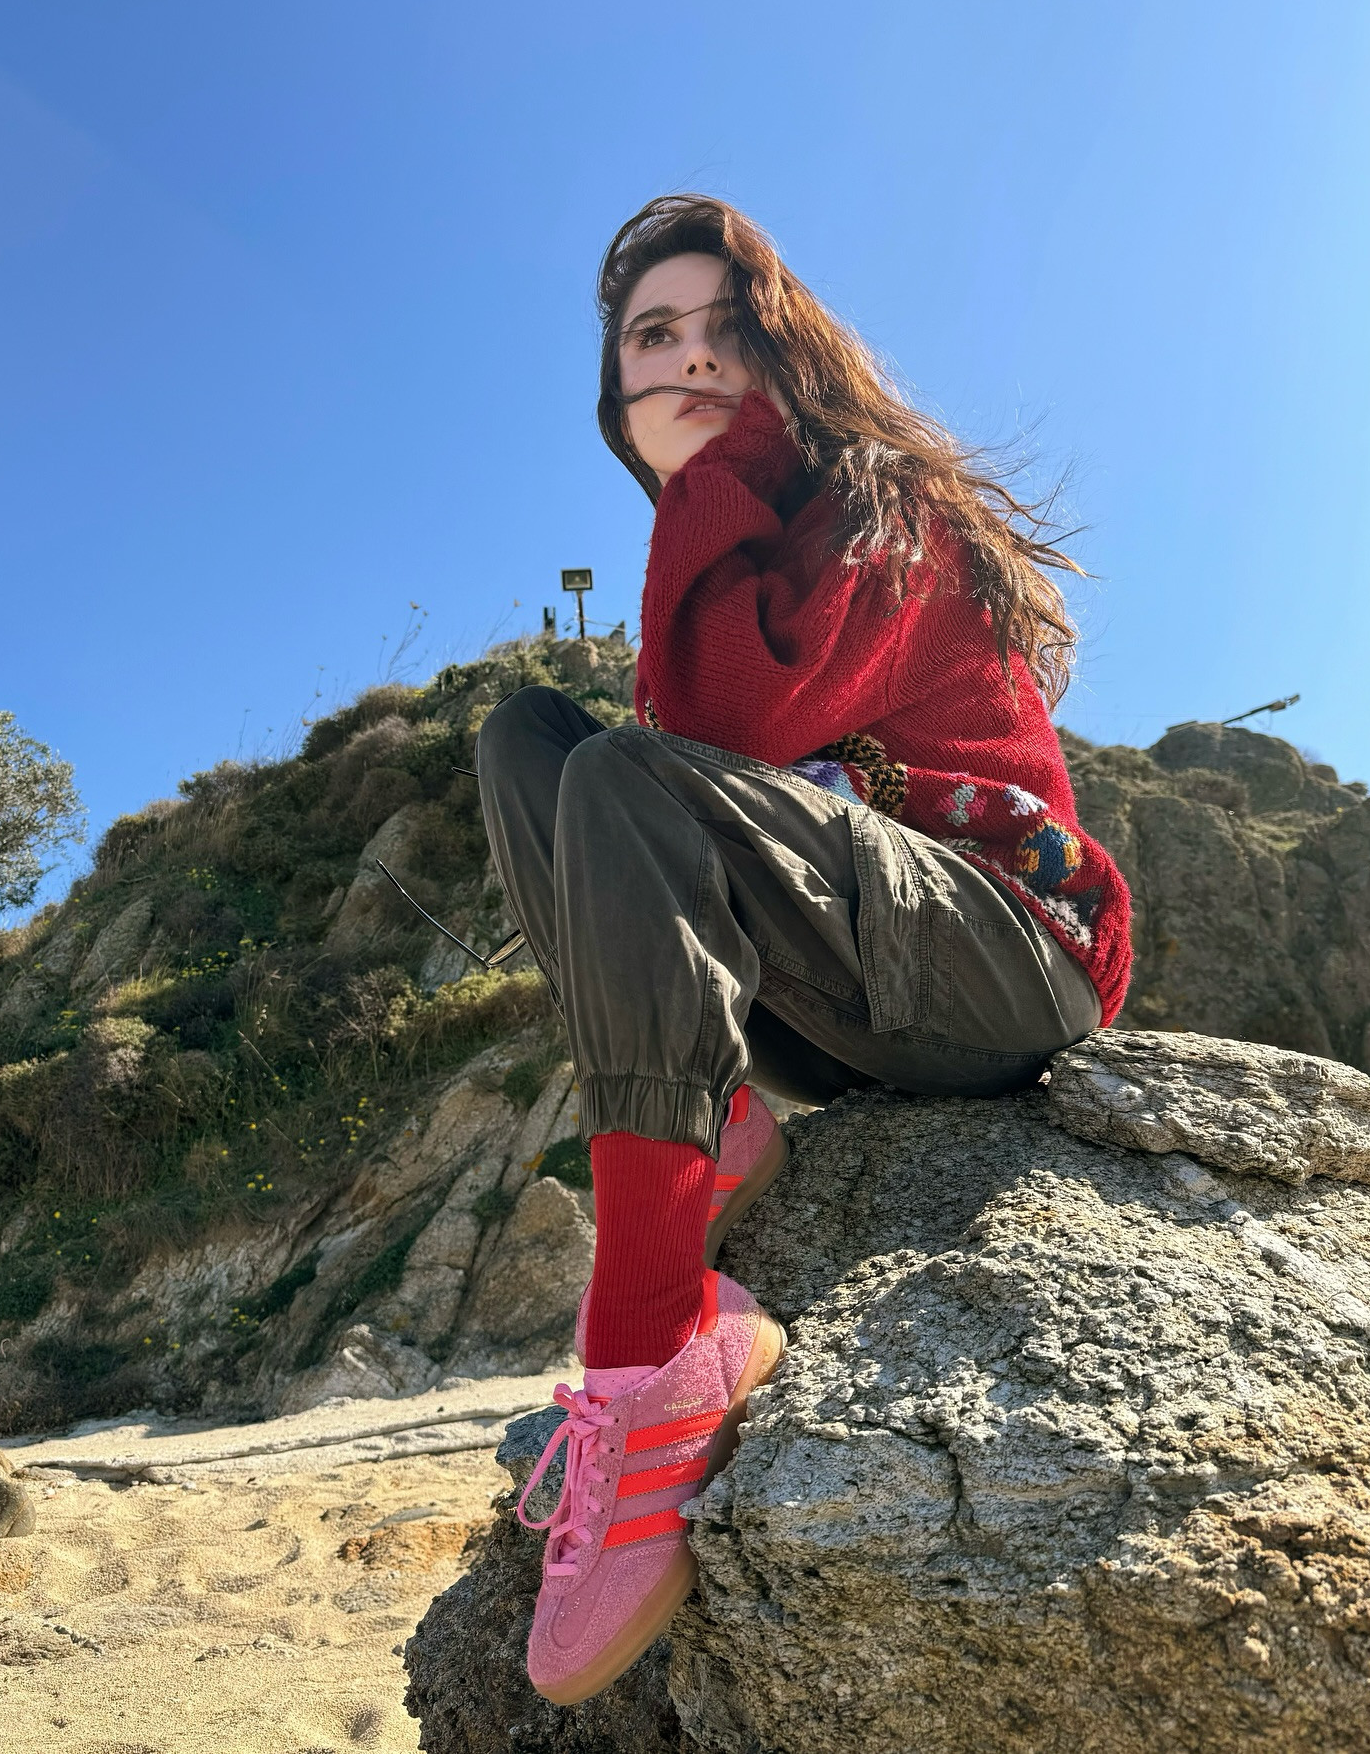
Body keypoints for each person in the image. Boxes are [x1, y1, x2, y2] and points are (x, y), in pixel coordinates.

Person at [475, 194, 1132, 1704]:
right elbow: (694, 772)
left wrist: (704, 481)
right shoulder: (728, 535)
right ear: (617, 386)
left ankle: (657, 1351)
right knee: (530, 742)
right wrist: (697, 498)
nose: (692, 357)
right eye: (655, 336)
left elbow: (733, 724)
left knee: (625, 771)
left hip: (1005, 954)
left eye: (729, 329)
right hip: (850, 989)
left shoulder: (876, 499)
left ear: (790, 355)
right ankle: (716, 1126)